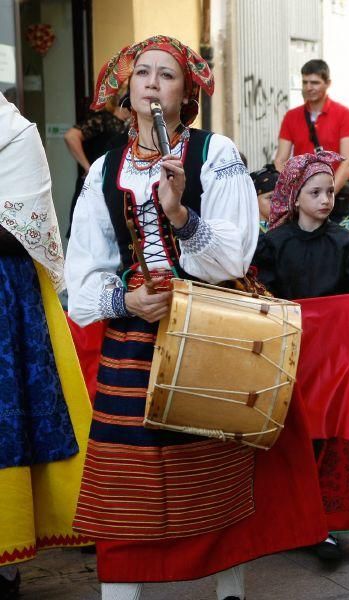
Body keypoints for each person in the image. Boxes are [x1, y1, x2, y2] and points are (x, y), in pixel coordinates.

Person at [65, 35, 332, 599]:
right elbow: (84, 272)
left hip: (211, 328)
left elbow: (236, 253)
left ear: (185, 92)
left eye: (167, 74)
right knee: (127, 483)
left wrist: (182, 213)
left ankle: (229, 592)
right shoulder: (104, 170)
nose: (153, 82)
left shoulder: (216, 154)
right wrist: (125, 301)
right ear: (128, 86)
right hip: (133, 339)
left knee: (213, 469)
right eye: (143, 72)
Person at [254, 151, 349, 558]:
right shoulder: (272, 245)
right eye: (315, 192)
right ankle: (292, 520)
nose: (325, 199)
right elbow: (262, 305)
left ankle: (323, 524)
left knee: (329, 439)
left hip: (339, 362)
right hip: (289, 359)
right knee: (291, 440)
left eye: (329, 191)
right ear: (295, 197)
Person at [0, 93, 92, 600]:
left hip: (4, 302)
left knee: (8, 424)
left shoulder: (15, 134)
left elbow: (21, 232)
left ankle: (6, 561)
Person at [274, 59, 349, 220]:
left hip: (336, 198)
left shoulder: (344, 114)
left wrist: (327, 194)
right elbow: (280, 160)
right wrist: (296, 192)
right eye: (305, 82)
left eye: (315, 82)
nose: (308, 87)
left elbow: (348, 161)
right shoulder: (291, 116)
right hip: (303, 198)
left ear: (328, 83)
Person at [63, 96, 129, 234]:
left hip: (111, 184)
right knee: (87, 230)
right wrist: (88, 167)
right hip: (94, 182)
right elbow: (71, 136)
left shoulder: (128, 126)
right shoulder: (103, 119)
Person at [249, 163, 279, 233]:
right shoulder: (250, 233)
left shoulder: (289, 227)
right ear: (254, 199)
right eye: (271, 197)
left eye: (282, 196)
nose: (278, 202)